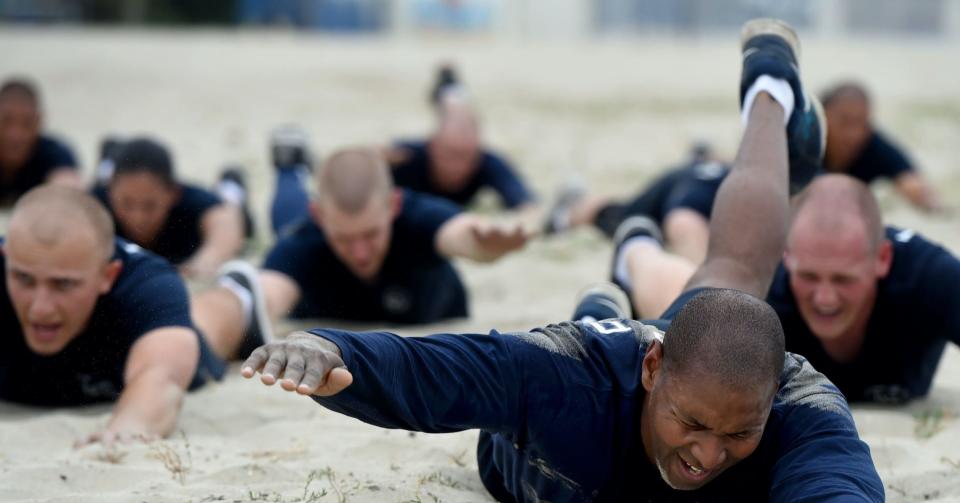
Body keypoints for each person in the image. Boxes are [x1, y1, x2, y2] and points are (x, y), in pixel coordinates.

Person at [241, 20, 933, 503]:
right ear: (654, 366)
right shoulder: (565, 379)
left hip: (697, 353)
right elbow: (449, 371)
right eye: (691, 423)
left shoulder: (792, 404)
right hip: (537, 445)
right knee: (604, 321)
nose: (708, 455)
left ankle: (769, 91)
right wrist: (335, 355)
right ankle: (605, 300)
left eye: (739, 434)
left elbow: (835, 481)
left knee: (735, 275)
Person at [191, 145, 528, 363]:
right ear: (321, 217)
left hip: (431, 314)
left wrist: (486, 244)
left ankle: (293, 166)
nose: (360, 252)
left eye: (370, 234)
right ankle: (289, 168)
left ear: (393, 205)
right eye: (344, 238)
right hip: (306, 229)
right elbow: (261, 294)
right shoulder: (305, 240)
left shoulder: (416, 215)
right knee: (287, 223)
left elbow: (460, 234)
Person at [0, 185, 225, 444]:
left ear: (108, 275)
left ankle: (239, 291)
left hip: (172, 357)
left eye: (63, 285)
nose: (40, 308)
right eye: (24, 279)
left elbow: (161, 379)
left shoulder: (148, 285)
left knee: (210, 322)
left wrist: (125, 432)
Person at [768, 174, 960, 404]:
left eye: (843, 279)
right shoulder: (762, 297)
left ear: (883, 258)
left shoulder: (928, 276)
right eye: (809, 276)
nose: (824, 299)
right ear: (787, 256)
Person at [92, 137, 247, 281]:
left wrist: (204, 262)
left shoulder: (189, 200)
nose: (137, 217)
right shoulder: (97, 201)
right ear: (110, 192)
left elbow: (226, 223)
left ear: (173, 194)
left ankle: (230, 185)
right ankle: (108, 159)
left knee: (232, 205)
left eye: (150, 206)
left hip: (214, 203)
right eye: (127, 204)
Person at [386, 69, 537, 212]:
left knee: (459, 109)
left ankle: (451, 90)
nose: (457, 167)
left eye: (466, 158)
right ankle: (449, 90)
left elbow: (523, 200)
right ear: (432, 146)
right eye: (449, 155)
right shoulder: (406, 155)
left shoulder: (486, 162)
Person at [544, 158, 730, 266]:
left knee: (627, 211)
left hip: (704, 173)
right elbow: (682, 222)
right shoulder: (692, 206)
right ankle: (567, 214)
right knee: (620, 218)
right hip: (686, 191)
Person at [821, 81, 940, 212]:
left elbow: (913, 184)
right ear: (822, 116)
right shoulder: (802, 145)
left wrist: (928, 202)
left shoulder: (873, 145)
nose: (854, 134)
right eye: (845, 122)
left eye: (862, 123)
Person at [0, 78, 82, 208]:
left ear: (39, 121)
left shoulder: (56, 152)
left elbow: (70, 197)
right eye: (6, 122)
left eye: (27, 123)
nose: (16, 135)